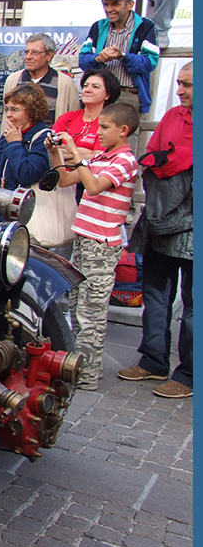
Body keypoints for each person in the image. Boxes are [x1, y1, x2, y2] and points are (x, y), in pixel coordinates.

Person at [47, 102, 140, 390]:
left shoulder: (125, 161)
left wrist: (75, 153)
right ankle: (80, 367)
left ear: (123, 131)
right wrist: (54, 151)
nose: (98, 132)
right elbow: (64, 180)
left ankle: (87, 374)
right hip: (84, 239)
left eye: (104, 127)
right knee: (77, 308)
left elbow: (94, 186)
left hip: (102, 244)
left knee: (92, 312)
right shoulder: (102, 155)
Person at [119, 61, 192, 398]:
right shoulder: (173, 116)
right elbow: (151, 157)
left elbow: (165, 160)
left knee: (192, 306)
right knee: (156, 295)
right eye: (179, 83)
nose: (180, 90)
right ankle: (153, 360)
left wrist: (172, 162)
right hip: (162, 216)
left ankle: (189, 373)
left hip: (190, 222)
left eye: (188, 85)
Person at [78, 0, 159, 117]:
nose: (109, 9)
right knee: (95, 137)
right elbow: (83, 61)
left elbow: (150, 62)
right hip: (100, 95)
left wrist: (123, 56)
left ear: (130, 5)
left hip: (128, 95)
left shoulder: (146, 26)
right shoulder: (98, 26)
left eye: (115, 4)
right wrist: (98, 58)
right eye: (106, 4)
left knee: (125, 138)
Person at [0, 82, 51, 229]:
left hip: (24, 222)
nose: (9, 115)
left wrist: (14, 144)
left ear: (31, 111)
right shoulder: (7, 137)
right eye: (7, 109)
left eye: (15, 109)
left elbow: (28, 174)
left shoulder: (43, 138)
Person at [2, 33, 80, 124]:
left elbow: (73, 121)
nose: (28, 57)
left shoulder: (65, 84)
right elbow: (6, 119)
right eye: (26, 52)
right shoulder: (13, 80)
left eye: (35, 52)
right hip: (16, 137)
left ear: (49, 55)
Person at [53, 69, 120, 160]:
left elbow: (98, 158)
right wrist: (84, 152)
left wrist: (68, 150)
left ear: (107, 95)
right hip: (59, 172)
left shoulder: (109, 123)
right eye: (85, 86)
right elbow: (52, 152)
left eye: (95, 87)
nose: (88, 90)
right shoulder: (67, 117)